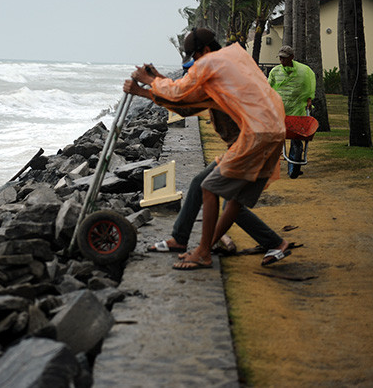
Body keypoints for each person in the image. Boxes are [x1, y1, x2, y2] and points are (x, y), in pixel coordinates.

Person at [124, 28, 289, 270]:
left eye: (195, 59)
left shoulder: (211, 62)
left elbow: (180, 92)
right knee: (222, 196)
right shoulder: (233, 60)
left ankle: (203, 252)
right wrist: (155, 81)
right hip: (272, 130)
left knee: (209, 187)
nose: (194, 66)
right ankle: (184, 240)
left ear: (206, 50)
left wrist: (147, 82)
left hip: (255, 135)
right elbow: (186, 103)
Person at [147, 109, 289, 264]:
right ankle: (180, 239)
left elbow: (185, 103)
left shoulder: (225, 89)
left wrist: (145, 90)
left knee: (221, 195)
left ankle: (274, 243)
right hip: (240, 146)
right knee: (199, 184)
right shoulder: (219, 90)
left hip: (256, 147)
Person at [268, 45, 316, 178]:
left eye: (284, 58)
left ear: (292, 57)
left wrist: (309, 98)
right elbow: (269, 87)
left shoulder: (303, 71)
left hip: (297, 111)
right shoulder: (275, 71)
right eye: (280, 58)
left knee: (296, 139)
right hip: (280, 110)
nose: (282, 61)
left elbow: (310, 84)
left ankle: (295, 165)